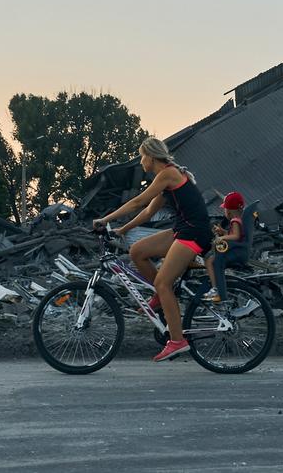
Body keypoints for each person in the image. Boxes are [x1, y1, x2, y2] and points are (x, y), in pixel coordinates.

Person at [93, 137, 212, 362]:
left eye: (142, 157)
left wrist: (104, 219)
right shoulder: (166, 179)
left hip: (194, 233)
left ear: (151, 156)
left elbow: (137, 202)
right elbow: (148, 212)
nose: (141, 162)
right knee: (137, 251)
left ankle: (177, 340)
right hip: (182, 230)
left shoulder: (168, 174)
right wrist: (122, 229)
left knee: (163, 282)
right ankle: (160, 296)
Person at [203, 191, 246, 303]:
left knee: (210, 261)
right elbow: (233, 234)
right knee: (210, 260)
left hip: (233, 251)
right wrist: (222, 231)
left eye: (225, 209)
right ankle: (215, 287)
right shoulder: (238, 220)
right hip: (236, 249)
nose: (224, 211)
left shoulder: (235, 221)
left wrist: (221, 238)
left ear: (230, 211)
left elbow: (236, 236)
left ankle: (215, 288)